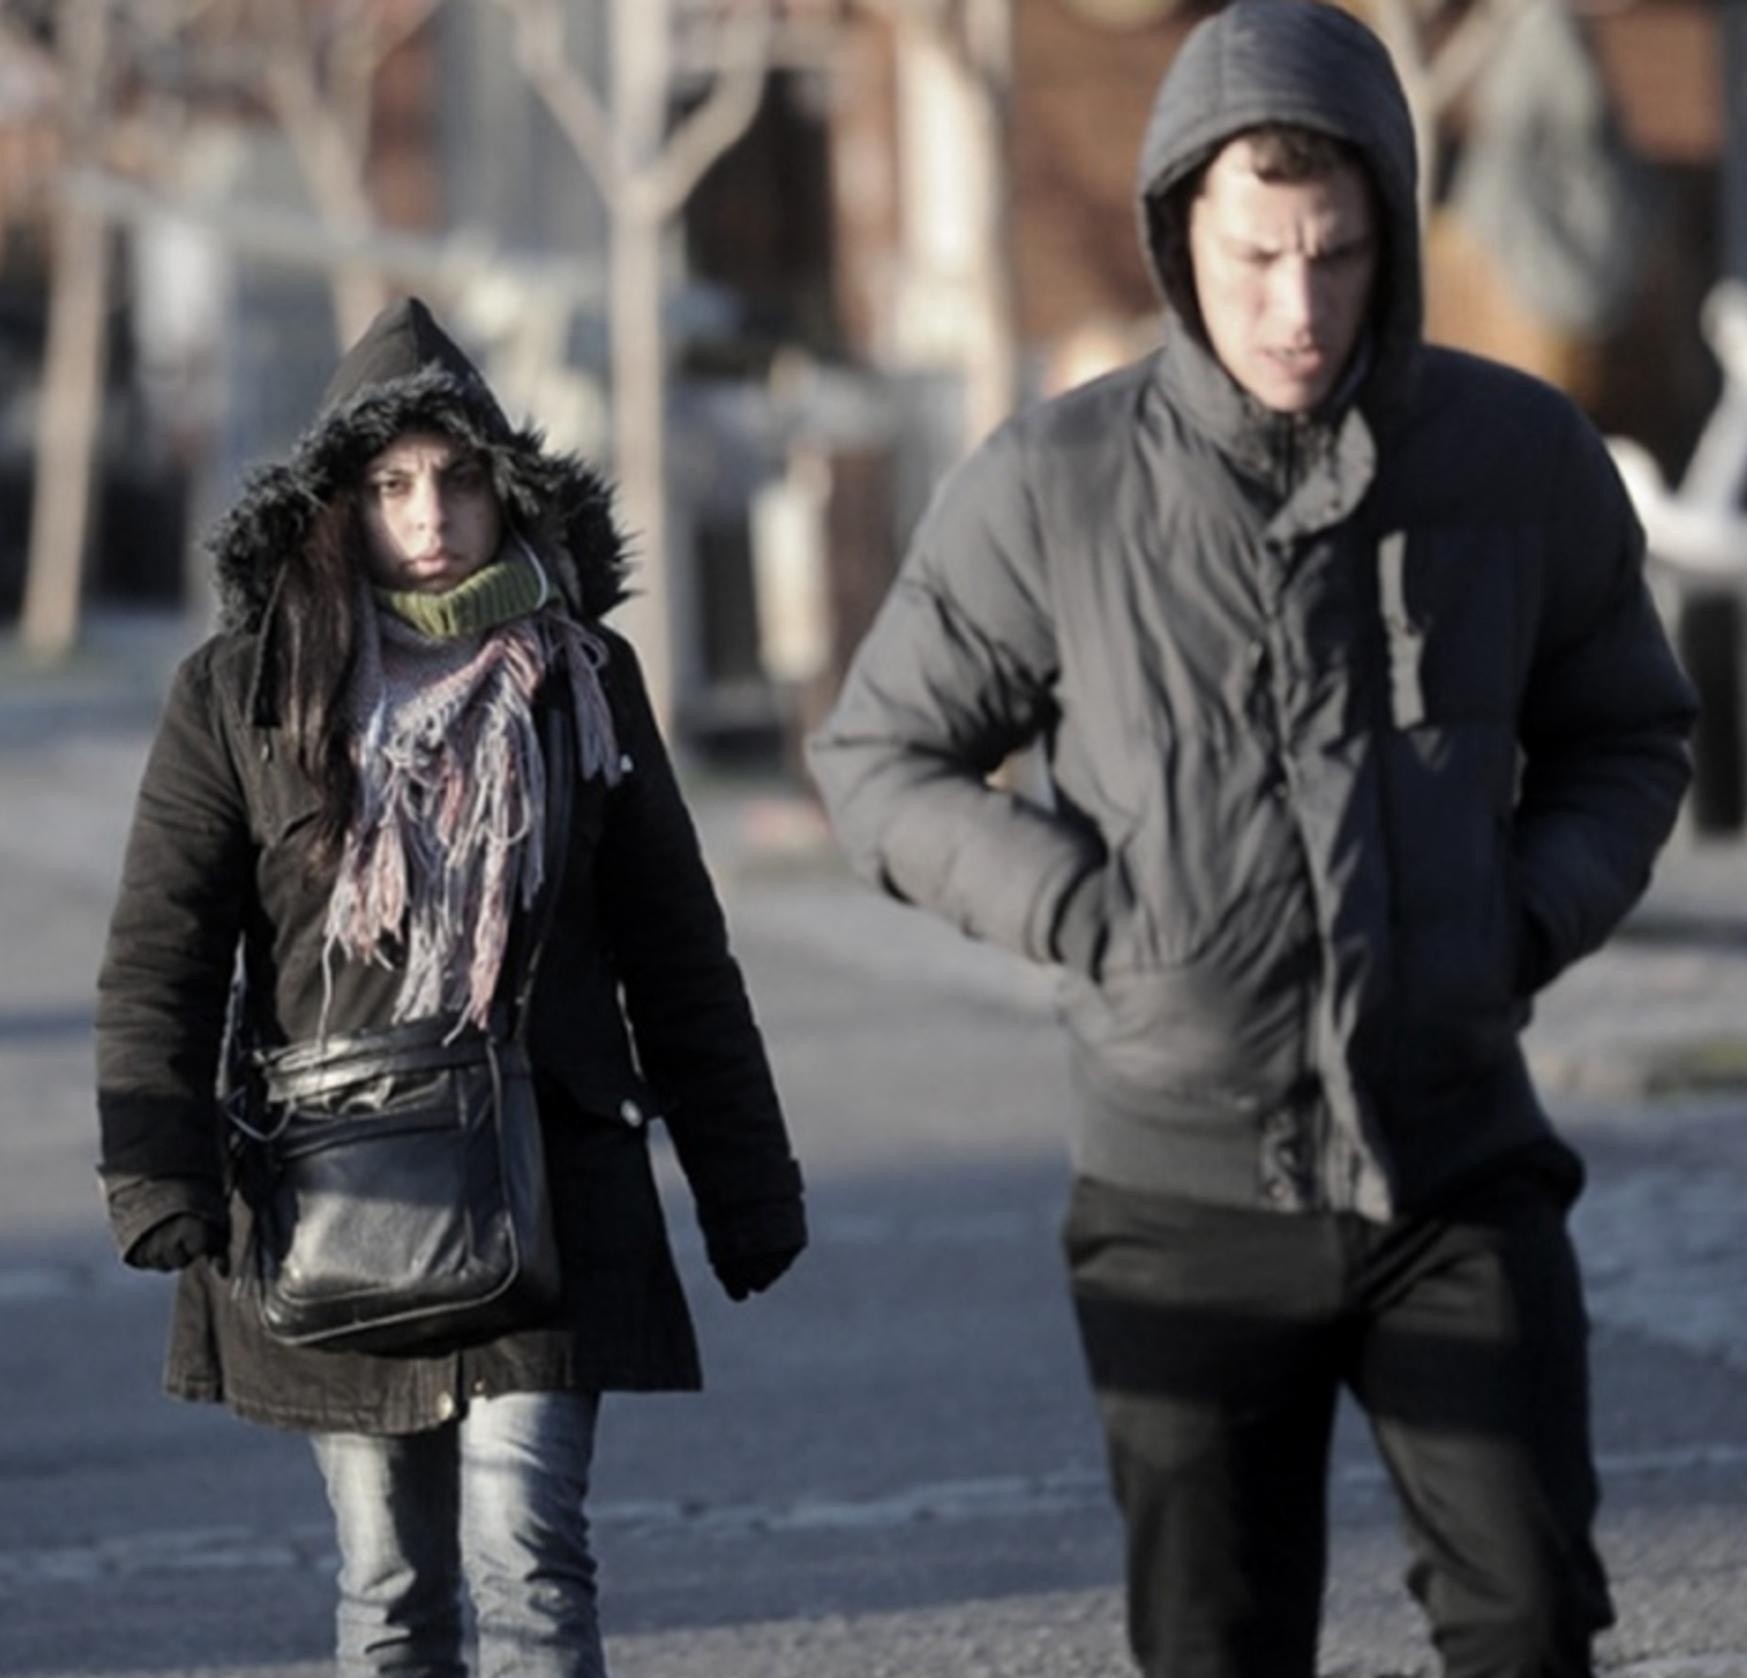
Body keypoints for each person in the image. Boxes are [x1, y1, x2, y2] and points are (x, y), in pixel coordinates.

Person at [807, 5, 1699, 1675]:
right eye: (1250, 258)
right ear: (1174, 238)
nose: (1293, 307)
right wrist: (1091, 917)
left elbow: (1628, 731)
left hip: (1452, 1162)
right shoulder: (1050, 486)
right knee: (1215, 1644)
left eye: (1334, 255)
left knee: (1525, 1619)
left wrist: (1516, 921)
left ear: (1386, 239)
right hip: (1180, 1194)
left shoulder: (1513, 461)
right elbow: (876, 757)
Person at [95, 297, 809, 1676]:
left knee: (529, 1553)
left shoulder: (581, 681)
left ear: (506, 487)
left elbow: (675, 951)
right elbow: (162, 946)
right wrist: (155, 1172)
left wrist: (746, 1187)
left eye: (458, 478)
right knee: (390, 1588)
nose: (427, 513)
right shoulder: (240, 692)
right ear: (337, 505)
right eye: (389, 485)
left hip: (551, 1174)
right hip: (333, 1188)